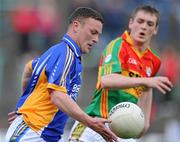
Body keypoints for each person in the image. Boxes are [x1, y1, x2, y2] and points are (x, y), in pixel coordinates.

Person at [5, 7, 118, 142]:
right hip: (32, 133)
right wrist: (90, 122)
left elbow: (28, 69)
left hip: (48, 135)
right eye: (93, 32)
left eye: (98, 34)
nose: (96, 39)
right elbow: (57, 96)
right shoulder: (67, 54)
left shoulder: (60, 52)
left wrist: (24, 106)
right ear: (76, 26)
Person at [68, 5, 173, 142]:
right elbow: (107, 81)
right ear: (131, 23)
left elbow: (147, 88)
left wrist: (145, 122)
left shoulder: (154, 60)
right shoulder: (117, 46)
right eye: (140, 21)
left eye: (150, 24)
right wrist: (144, 81)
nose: (144, 27)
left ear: (155, 30)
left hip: (124, 129)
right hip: (95, 122)